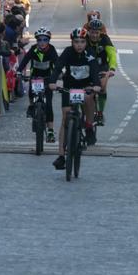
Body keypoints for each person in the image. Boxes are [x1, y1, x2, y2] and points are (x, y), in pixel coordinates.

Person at [48, 28, 101, 169]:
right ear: (72, 42)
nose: (79, 45)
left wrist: (96, 85)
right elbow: (58, 67)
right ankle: (61, 156)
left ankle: (89, 126)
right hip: (69, 86)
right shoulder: (67, 52)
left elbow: (94, 70)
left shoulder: (90, 53)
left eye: (82, 42)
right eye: (76, 42)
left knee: (89, 98)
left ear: (86, 42)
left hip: (86, 85)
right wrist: (52, 81)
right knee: (65, 118)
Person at [18, 27, 58, 143]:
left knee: (49, 104)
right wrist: (19, 71)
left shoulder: (52, 50)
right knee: (31, 91)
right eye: (39, 40)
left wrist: (59, 74)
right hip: (35, 77)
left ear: (48, 40)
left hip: (47, 78)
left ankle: (50, 131)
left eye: (45, 40)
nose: (42, 42)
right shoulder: (33, 49)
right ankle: (31, 106)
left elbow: (57, 64)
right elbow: (25, 60)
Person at [85, 18, 116, 125]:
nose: (94, 35)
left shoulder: (105, 39)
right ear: (88, 31)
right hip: (87, 67)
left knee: (102, 88)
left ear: (100, 32)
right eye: (92, 32)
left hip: (102, 67)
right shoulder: (84, 39)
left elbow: (112, 54)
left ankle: (100, 113)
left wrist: (112, 68)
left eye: (97, 33)